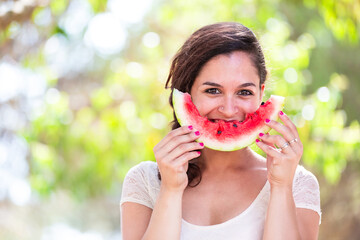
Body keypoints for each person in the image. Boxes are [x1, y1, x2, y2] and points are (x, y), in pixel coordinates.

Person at [120, 22, 321, 240]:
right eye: (213, 90)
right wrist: (170, 190)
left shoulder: (297, 184)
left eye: (244, 92)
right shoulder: (146, 181)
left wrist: (281, 188)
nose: (228, 109)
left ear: (261, 95)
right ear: (187, 94)